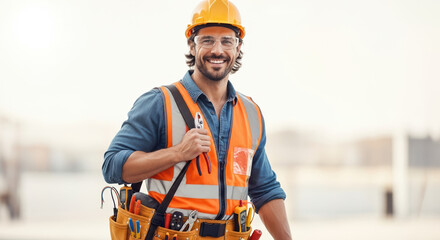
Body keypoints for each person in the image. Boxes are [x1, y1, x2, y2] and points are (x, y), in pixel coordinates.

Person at [103, 0, 292, 239]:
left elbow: (264, 190)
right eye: (207, 40)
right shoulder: (159, 103)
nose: (217, 50)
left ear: (238, 47)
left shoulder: (251, 113)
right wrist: (177, 153)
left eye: (227, 41)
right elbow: (112, 166)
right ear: (192, 46)